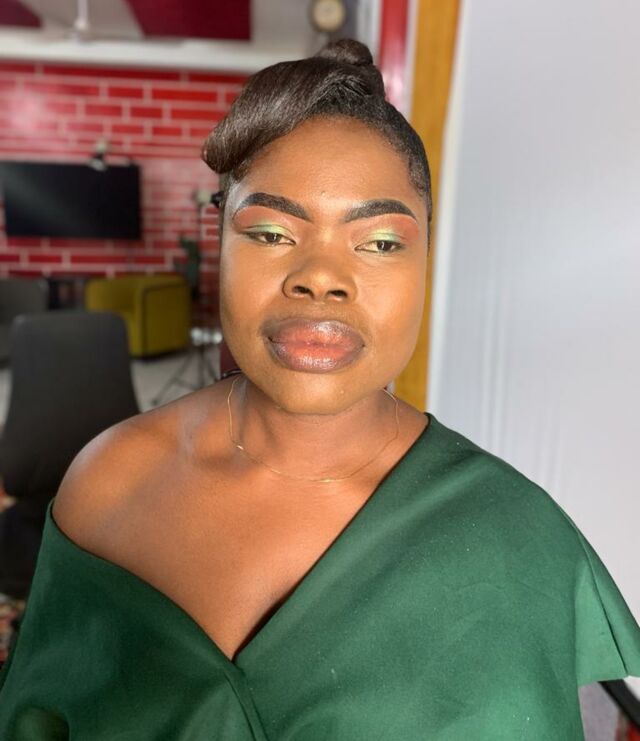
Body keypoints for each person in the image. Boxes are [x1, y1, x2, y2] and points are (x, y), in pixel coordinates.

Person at [0, 39, 638, 740]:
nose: (321, 277)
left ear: (427, 256)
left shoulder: (516, 542)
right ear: (220, 241)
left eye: (380, 242)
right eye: (272, 232)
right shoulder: (111, 483)